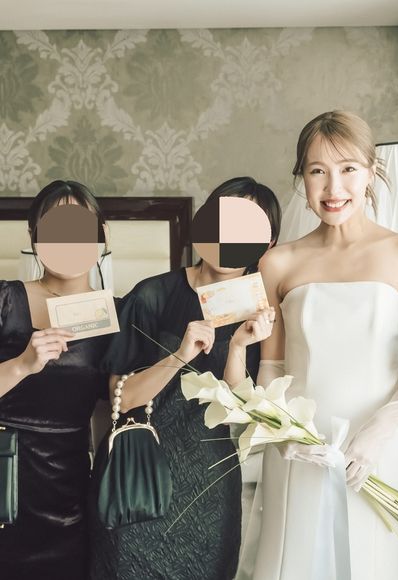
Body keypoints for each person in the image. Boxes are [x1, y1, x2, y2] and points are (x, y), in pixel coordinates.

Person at [230, 111, 398, 580]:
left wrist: (379, 432)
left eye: (348, 169)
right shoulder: (277, 263)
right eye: (317, 171)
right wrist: (283, 434)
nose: (333, 187)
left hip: (381, 448)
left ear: (371, 172)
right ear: (302, 178)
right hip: (301, 449)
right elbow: (272, 368)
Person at [90, 177, 281, 580]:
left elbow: (241, 416)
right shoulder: (152, 295)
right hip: (139, 477)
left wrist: (238, 346)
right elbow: (122, 400)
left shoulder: (262, 315)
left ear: (267, 245)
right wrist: (179, 356)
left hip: (210, 489)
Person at [0, 180, 113, 580]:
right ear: (34, 236)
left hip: (70, 488)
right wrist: (22, 364)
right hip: (5, 472)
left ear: (102, 235)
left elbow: (115, 408)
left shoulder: (115, 314)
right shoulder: (6, 300)